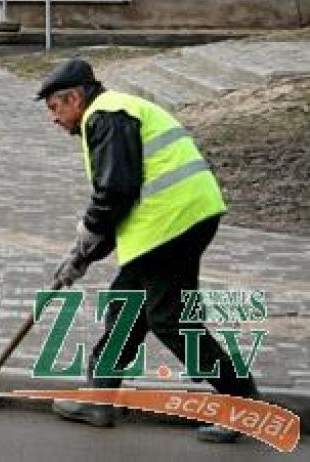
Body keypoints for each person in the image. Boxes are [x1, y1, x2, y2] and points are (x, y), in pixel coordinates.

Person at [38, 58, 259, 444]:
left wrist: (83, 245)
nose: (54, 120)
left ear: (75, 98)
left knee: (169, 319)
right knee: (126, 308)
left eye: (56, 108)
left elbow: (115, 192)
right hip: (177, 219)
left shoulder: (106, 117)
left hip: (171, 223)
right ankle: (99, 400)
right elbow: (118, 201)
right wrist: (83, 256)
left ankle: (243, 403)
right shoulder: (117, 112)